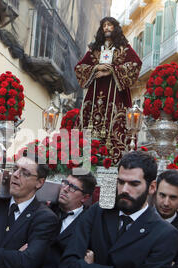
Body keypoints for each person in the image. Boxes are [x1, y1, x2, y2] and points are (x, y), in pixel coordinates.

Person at [59, 151, 178, 268]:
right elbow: (68, 266)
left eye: (134, 184)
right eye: (121, 182)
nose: (124, 190)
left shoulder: (164, 234)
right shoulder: (98, 211)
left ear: (152, 187)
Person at [74, 17, 142, 164]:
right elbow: (79, 67)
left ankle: (112, 160)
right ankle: (83, 160)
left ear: (115, 28)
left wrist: (112, 71)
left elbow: (136, 64)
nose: (106, 28)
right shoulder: (95, 50)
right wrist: (96, 68)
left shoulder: (124, 49)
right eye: (104, 25)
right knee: (86, 126)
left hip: (116, 95)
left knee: (116, 124)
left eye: (109, 25)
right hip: (95, 95)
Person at [38, 172, 97, 268]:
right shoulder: (46, 210)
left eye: (73, 187)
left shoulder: (90, 223)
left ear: (85, 197)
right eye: (65, 183)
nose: (65, 189)